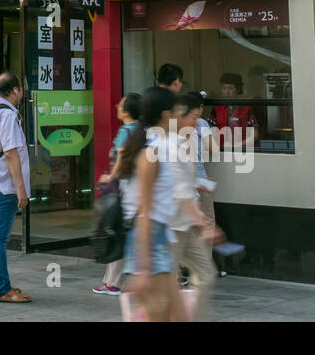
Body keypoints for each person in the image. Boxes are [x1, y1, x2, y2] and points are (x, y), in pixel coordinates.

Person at [119, 85, 186, 322]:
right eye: (178, 111)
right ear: (166, 114)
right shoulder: (151, 153)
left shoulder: (157, 145)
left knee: (179, 317)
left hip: (159, 239)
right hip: (149, 241)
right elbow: (144, 213)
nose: (181, 116)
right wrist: (143, 268)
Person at [168, 93, 223, 319]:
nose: (197, 118)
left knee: (201, 271)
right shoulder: (198, 126)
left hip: (189, 197)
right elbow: (215, 151)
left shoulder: (167, 132)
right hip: (184, 203)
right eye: (195, 113)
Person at [0, 72, 31, 303]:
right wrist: (20, 188)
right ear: (15, 90)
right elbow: (10, 152)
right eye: (20, 88)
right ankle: (2, 289)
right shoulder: (7, 116)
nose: (21, 93)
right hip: (4, 185)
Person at [94, 91, 141, 295]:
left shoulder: (125, 132)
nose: (117, 107)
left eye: (121, 105)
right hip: (138, 188)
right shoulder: (143, 131)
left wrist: (110, 177)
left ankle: (113, 282)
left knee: (117, 232)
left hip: (125, 188)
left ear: (128, 110)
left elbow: (121, 158)